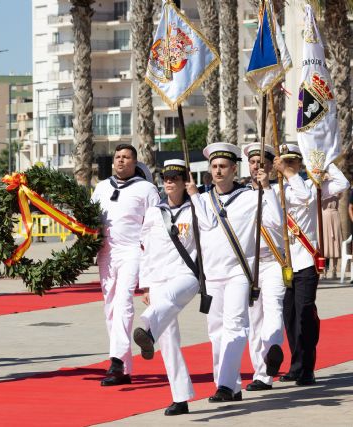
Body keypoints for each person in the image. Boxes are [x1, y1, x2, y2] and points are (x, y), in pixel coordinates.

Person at [192, 142, 283, 402]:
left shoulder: (249, 196)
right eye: (215, 166)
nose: (218, 171)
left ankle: (223, 385)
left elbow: (276, 223)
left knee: (236, 327)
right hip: (211, 274)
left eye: (224, 166)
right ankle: (230, 385)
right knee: (216, 331)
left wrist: (266, 189)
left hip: (239, 272)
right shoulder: (202, 197)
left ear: (234, 169)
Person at [134, 159, 215, 415]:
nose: (169, 182)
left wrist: (196, 196)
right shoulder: (154, 212)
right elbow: (145, 249)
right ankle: (180, 397)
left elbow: (210, 225)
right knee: (169, 340)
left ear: (184, 182)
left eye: (175, 179)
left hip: (187, 274)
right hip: (158, 277)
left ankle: (146, 326)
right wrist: (145, 285)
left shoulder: (196, 208)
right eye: (166, 178)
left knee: (168, 299)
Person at [275, 144, 349, 386]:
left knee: (305, 314)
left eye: (292, 162)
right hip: (285, 262)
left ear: (300, 164)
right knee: (290, 315)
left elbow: (343, 184)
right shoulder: (277, 191)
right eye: (285, 162)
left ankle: (307, 368)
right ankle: (296, 365)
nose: (288, 166)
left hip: (306, 260)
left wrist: (323, 161)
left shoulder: (311, 187)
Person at [90, 144, 160, 386]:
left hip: (133, 251)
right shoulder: (100, 188)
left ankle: (117, 360)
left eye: (126, 157)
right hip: (106, 252)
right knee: (110, 306)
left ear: (135, 162)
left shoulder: (147, 189)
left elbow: (155, 226)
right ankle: (124, 368)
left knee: (123, 301)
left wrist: (152, 260)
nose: (121, 161)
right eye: (118, 157)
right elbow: (90, 218)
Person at [242, 143, 290, 392]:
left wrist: (267, 188)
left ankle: (272, 350)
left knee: (274, 309)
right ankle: (261, 374)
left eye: (262, 162)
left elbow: (277, 223)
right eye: (253, 162)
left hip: (272, 262)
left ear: (271, 166)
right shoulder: (240, 194)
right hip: (249, 265)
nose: (256, 166)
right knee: (254, 320)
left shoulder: (280, 192)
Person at [321, 194, 342, 279]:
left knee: (335, 242)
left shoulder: (337, 188)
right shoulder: (322, 189)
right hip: (324, 216)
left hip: (334, 215)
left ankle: (334, 270)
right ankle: (324, 271)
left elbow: (340, 195)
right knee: (325, 243)